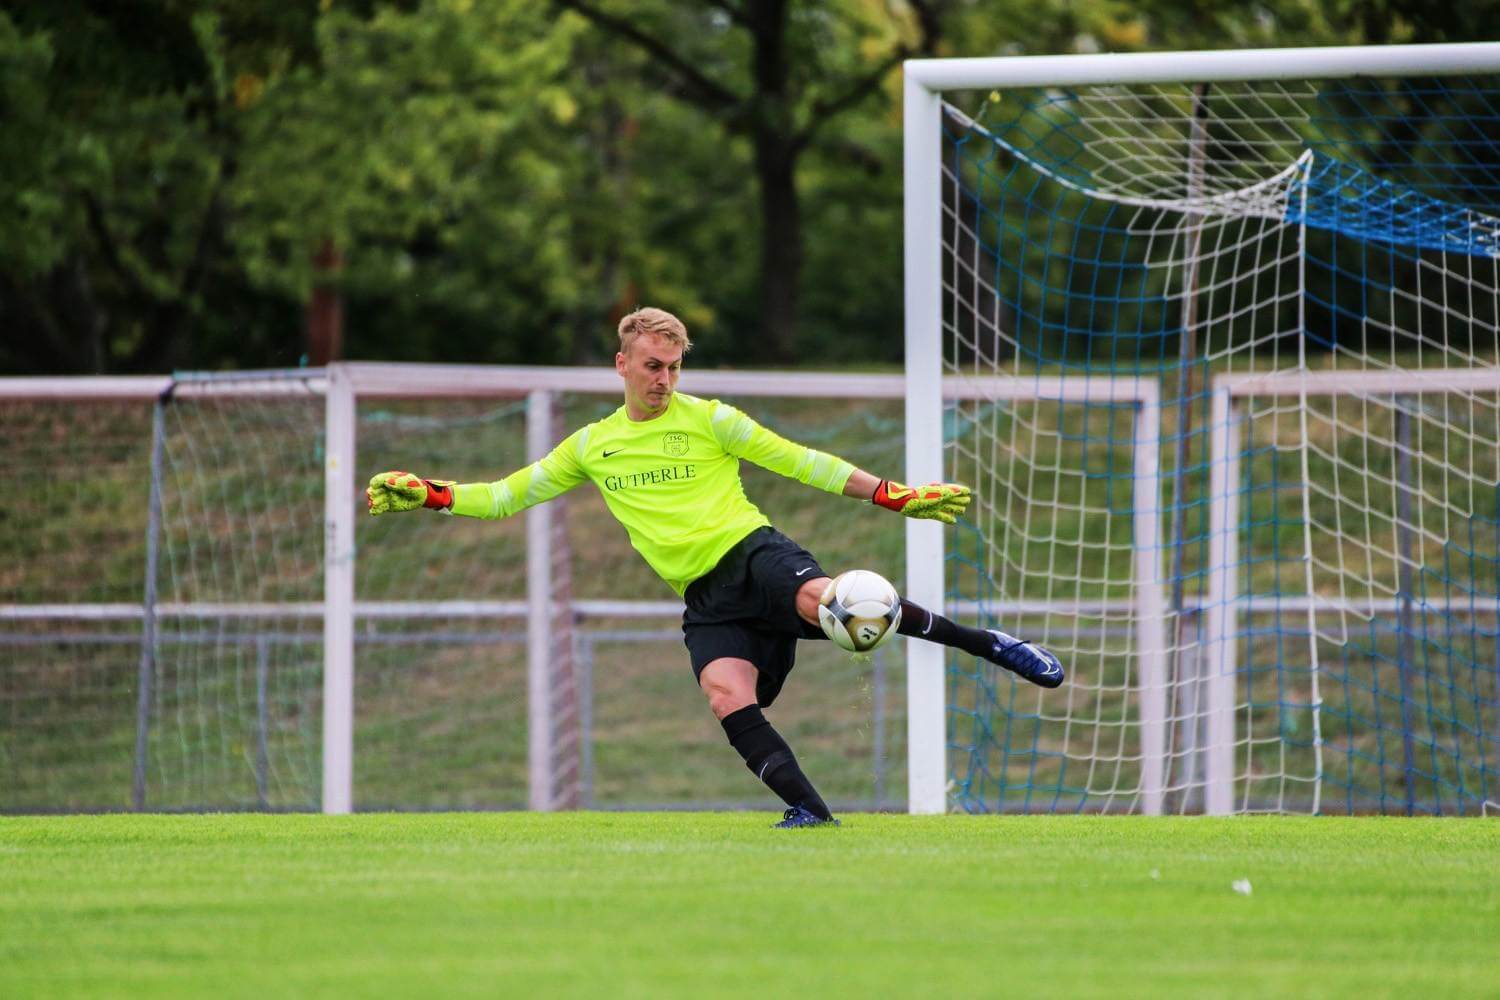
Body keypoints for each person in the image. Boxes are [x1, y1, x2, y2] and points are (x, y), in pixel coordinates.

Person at [366, 307, 1064, 828]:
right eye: (652, 366)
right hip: (706, 596)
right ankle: (812, 813)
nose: (664, 379)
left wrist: (892, 494)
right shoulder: (591, 446)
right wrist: (430, 495)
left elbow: (801, 461)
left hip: (754, 554)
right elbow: (504, 497)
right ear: (622, 365)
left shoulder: (711, 419)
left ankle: (994, 645)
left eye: (673, 367)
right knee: (726, 693)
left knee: (838, 600)